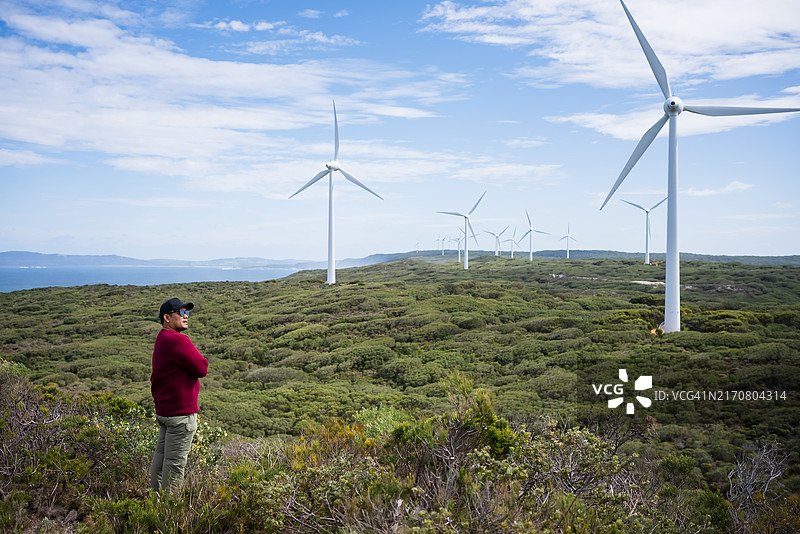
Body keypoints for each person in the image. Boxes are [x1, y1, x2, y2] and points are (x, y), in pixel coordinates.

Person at [149, 297, 209, 493]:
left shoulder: (162, 338)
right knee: (174, 466)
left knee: (161, 462)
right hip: (180, 415)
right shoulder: (177, 339)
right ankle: (169, 513)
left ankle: (154, 505)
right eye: (180, 312)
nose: (185, 316)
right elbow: (202, 367)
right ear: (167, 317)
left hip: (165, 412)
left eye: (187, 312)